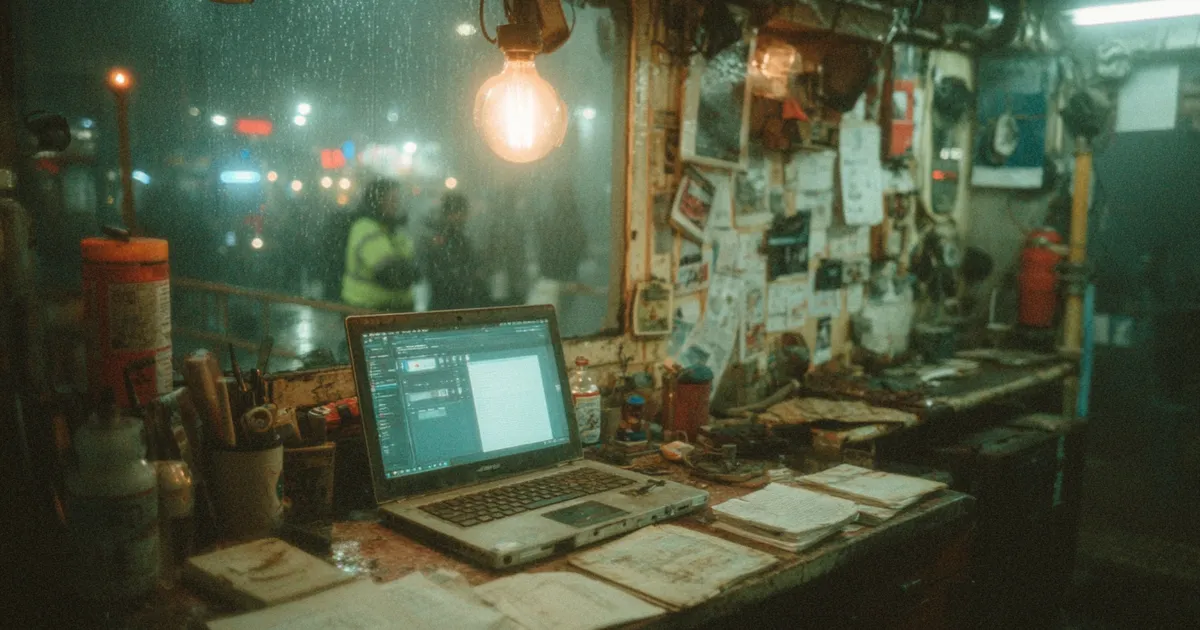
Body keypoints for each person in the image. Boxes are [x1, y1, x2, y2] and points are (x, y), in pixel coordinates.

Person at [341, 179, 417, 311]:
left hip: (395, 309)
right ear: (377, 201)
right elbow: (390, 273)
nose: (396, 204)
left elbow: (413, 265)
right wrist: (411, 272)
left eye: (397, 199)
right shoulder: (365, 228)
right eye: (392, 199)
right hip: (369, 310)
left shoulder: (394, 229)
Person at [422, 192, 489, 310]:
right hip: (448, 307)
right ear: (450, 214)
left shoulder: (458, 238)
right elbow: (441, 276)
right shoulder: (440, 240)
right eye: (461, 213)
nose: (465, 218)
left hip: (454, 307)